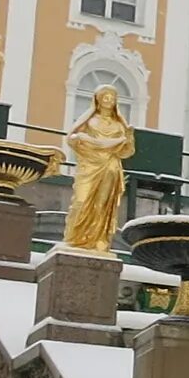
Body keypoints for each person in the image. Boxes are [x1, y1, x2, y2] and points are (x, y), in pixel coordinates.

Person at [61, 87, 137, 255]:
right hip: (89, 167)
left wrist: (129, 138)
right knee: (81, 201)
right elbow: (71, 139)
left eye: (112, 97)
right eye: (105, 97)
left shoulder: (119, 126)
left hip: (110, 167)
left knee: (102, 206)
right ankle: (74, 239)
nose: (109, 100)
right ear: (98, 99)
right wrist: (82, 139)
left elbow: (127, 152)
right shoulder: (89, 121)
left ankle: (98, 240)